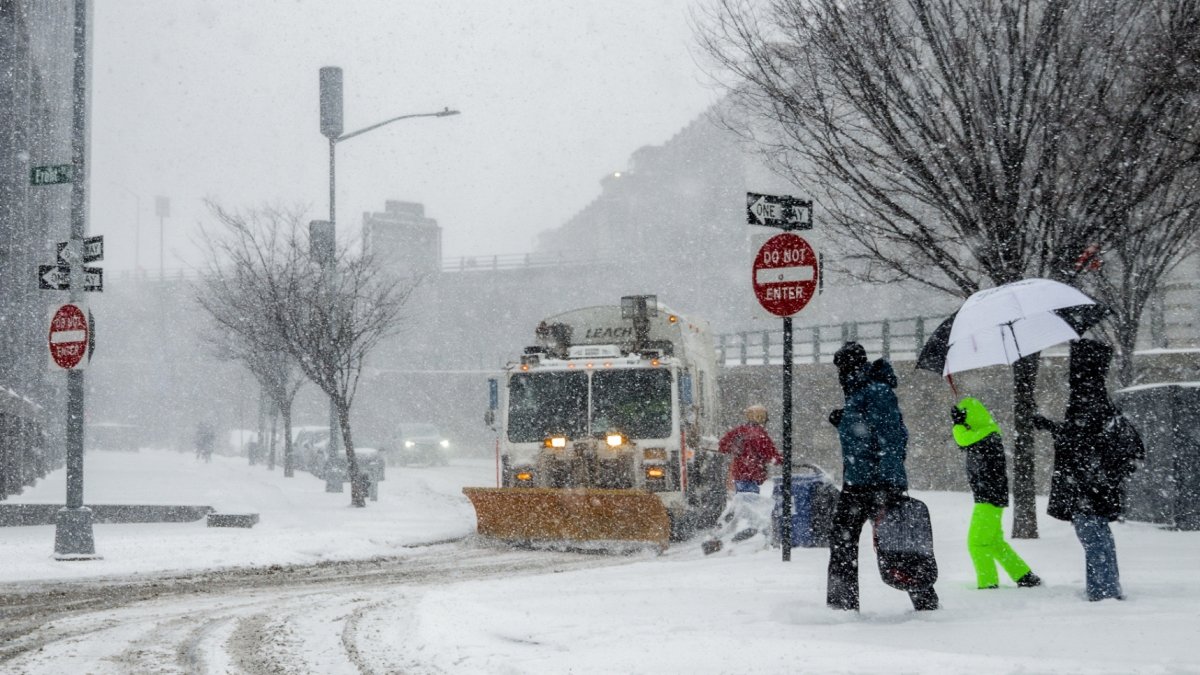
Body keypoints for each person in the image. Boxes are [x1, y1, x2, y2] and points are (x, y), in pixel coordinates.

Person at [826, 341, 939, 611]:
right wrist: (844, 420)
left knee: (891, 543)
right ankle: (844, 606)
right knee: (878, 541)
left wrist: (885, 483)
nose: (839, 373)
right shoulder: (859, 392)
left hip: (873, 483)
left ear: (851, 365)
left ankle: (843, 607)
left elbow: (893, 437)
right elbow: (866, 433)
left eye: (841, 366)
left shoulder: (875, 391)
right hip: (860, 481)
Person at [1034, 339, 1144, 602]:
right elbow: (1084, 433)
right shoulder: (1096, 393)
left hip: (1089, 484)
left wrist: (1049, 426)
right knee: (1098, 537)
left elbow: (1080, 438)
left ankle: (1103, 592)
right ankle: (1105, 588)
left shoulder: (1087, 395)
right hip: (1096, 482)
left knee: (1094, 538)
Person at [951, 397, 1042, 590]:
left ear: (971, 417)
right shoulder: (987, 434)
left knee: (976, 543)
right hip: (991, 497)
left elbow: (962, 439)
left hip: (988, 498)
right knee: (994, 542)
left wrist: (958, 424)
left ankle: (988, 584)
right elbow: (964, 442)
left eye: (965, 416)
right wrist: (960, 424)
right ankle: (1024, 576)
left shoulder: (987, 435)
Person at [718, 404, 782, 494]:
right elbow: (769, 454)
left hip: (739, 474)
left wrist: (735, 450)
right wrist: (781, 459)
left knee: (742, 500)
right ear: (761, 418)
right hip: (752, 474)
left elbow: (722, 445)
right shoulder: (760, 434)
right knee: (750, 503)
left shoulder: (739, 431)